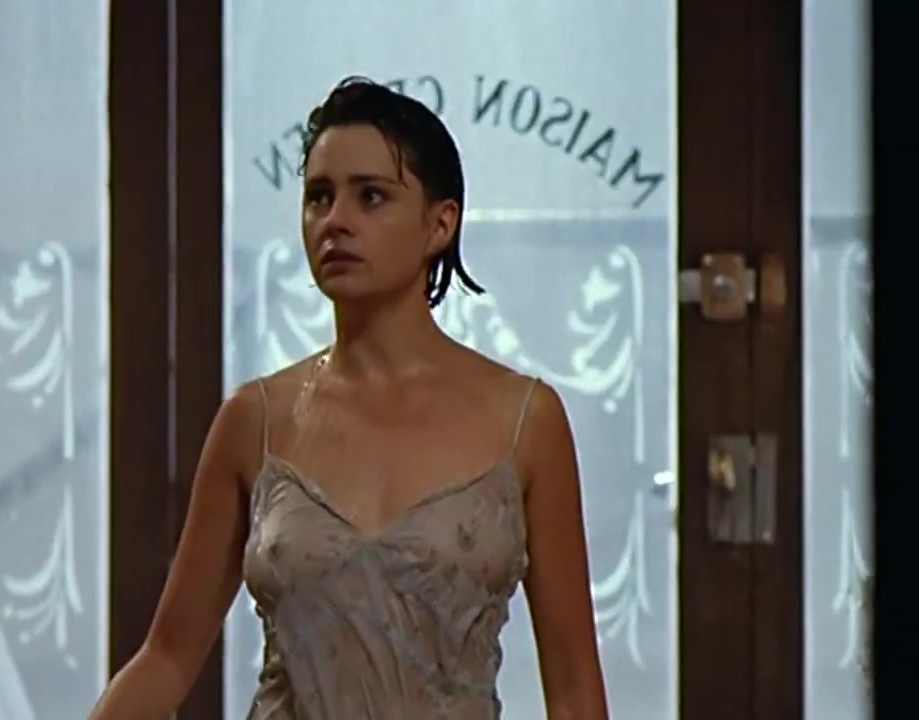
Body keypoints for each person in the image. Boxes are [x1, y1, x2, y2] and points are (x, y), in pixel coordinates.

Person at [91, 76, 608, 720]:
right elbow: (167, 658)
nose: (336, 221)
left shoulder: (525, 421)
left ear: (440, 223)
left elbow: (575, 689)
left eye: (371, 197)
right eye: (319, 197)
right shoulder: (256, 421)